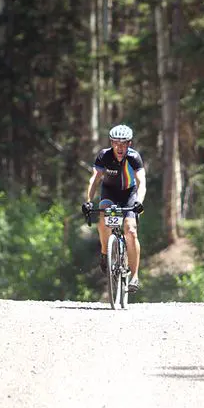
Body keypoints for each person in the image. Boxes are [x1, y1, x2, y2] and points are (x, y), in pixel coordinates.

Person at [82, 124, 146, 292]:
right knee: (103, 220)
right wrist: (88, 200)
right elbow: (94, 180)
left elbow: (142, 182)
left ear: (129, 144)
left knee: (131, 231)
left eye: (123, 143)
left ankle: (134, 276)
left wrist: (139, 201)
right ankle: (105, 252)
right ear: (111, 142)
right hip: (109, 193)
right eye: (116, 143)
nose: (119, 147)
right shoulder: (104, 156)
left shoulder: (134, 157)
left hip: (129, 195)